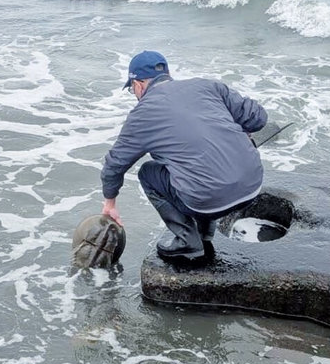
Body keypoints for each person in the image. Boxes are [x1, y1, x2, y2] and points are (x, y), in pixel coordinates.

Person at [100, 51, 267, 262]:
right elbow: (258, 118)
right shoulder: (207, 86)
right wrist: (240, 130)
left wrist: (110, 203)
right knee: (193, 161)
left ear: (138, 84)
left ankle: (188, 240)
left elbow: (115, 164)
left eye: (132, 89)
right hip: (252, 186)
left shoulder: (142, 114)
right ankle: (205, 234)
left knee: (148, 173)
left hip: (207, 202)